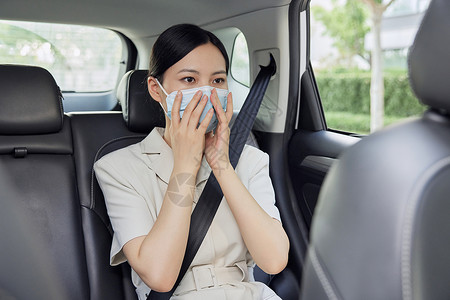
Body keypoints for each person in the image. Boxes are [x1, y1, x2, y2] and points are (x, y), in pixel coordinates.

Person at [94, 23, 290, 300]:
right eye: (189, 80)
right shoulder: (118, 168)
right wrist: (185, 166)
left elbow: (273, 261)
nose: (206, 93)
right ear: (156, 88)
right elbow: (160, 277)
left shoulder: (251, 160)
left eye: (218, 81)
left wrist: (222, 166)